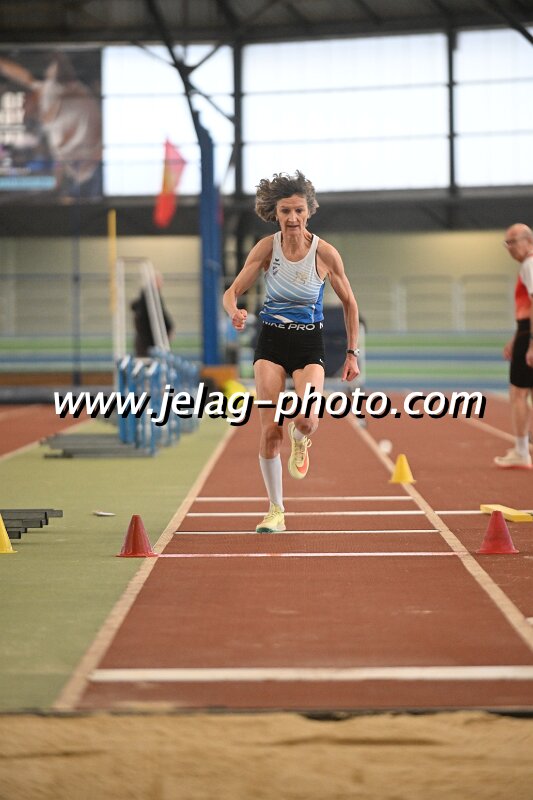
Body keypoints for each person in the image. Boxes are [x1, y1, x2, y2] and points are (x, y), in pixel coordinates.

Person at [223, 171, 360, 532]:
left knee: (306, 420)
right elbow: (231, 292)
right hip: (271, 343)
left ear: (309, 211)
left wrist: (352, 353)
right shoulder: (267, 249)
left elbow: (350, 304)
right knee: (270, 431)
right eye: (285, 211)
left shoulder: (325, 253)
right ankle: (276, 510)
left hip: (308, 344)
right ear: (275, 213)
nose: (293, 218)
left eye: (299, 210)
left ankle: (301, 439)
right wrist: (234, 311)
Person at [0, 52, 102, 197]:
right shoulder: (50, 95)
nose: (22, 107)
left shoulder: (50, 97)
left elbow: (25, 78)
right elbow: (25, 78)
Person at [494, 223, 533, 469]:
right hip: (525, 331)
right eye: (506, 243)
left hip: (529, 333)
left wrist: (530, 343)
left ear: (528, 241)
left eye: (512, 242)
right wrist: (516, 337)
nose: (509, 248)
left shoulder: (530, 264)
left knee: (518, 393)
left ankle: (521, 451)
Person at [131, 272, 174, 357]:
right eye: (160, 281)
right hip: (148, 341)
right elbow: (161, 315)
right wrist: (169, 327)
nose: (162, 284)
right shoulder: (151, 296)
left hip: (145, 340)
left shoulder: (146, 295)